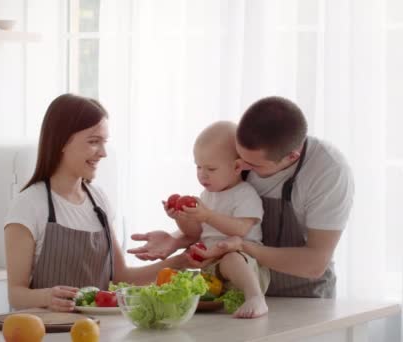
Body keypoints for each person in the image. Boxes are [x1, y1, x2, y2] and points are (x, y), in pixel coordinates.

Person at [129, 96, 354, 298]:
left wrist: (242, 248)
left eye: (253, 165)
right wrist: (177, 237)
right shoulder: (245, 148)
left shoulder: (328, 172)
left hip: (303, 297)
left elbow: (314, 263)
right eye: (239, 157)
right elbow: (218, 215)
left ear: (291, 156)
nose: (241, 167)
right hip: (236, 293)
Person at [4, 93, 186, 311]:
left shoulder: (98, 200)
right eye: (93, 142)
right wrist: (46, 297)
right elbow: (16, 294)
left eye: (104, 142)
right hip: (47, 331)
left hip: (98, 331)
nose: (103, 153)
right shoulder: (28, 205)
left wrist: (182, 261)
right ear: (61, 142)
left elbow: (122, 277)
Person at [164, 121, 270, 318]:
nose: (202, 175)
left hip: (246, 266)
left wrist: (209, 215)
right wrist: (180, 218)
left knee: (231, 258)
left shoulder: (245, 194)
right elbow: (195, 232)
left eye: (211, 169)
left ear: (237, 166)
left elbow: (241, 229)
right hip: (213, 266)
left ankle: (255, 297)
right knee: (183, 263)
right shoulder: (207, 195)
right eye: (198, 167)